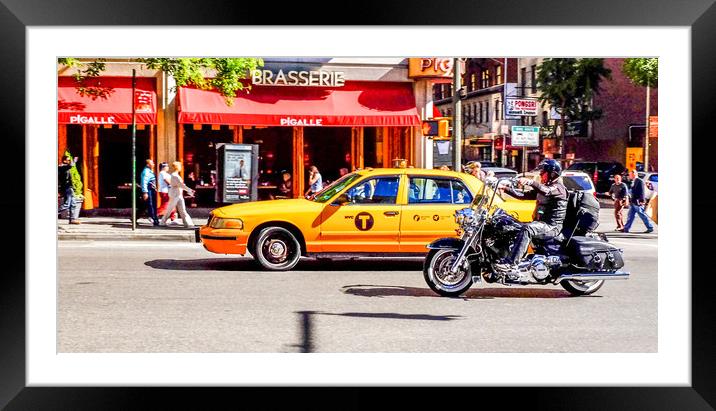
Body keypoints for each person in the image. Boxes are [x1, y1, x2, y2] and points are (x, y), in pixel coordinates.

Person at [494, 159, 568, 275]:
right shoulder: (544, 187)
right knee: (511, 225)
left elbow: (547, 191)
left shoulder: (558, 188)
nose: (540, 174)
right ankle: (502, 256)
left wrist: (530, 182)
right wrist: (505, 189)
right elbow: (523, 195)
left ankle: (511, 263)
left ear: (552, 174)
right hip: (541, 223)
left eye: (543, 172)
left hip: (551, 227)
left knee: (527, 229)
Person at [159, 161, 195, 228]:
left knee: (182, 209)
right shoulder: (175, 175)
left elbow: (180, 185)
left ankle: (188, 223)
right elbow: (180, 185)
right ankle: (162, 222)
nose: (181, 167)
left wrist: (188, 190)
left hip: (177, 194)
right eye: (180, 166)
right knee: (170, 209)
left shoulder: (175, 175)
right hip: (175, 194)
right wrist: (190, 190)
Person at [623, 169, 655, 234]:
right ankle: (626, 228)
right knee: (630, 215)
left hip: (637, 202)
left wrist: (642, 200)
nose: (629, 176)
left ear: (634, 174)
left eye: (630, 174)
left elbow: (642, 191)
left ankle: (650, 227)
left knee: (642, 215)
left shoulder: (639, 181)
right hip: (633, 201)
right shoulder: (633, 181)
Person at [57, 154, 80, 224]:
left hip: (69, 187)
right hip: (67, 188)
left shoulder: (65, 167)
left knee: (73, 203)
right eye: (68, 160)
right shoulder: (61, 166)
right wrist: (74, 160)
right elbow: (71, 165)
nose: (69, 161)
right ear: (64, 160)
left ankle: (72, 219)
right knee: (67, 204)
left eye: (70, 160)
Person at [140, 159, 160, 226]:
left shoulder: (149, 171)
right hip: (149, 189)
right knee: (150, 204)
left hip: (152, 189)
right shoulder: (146, 172)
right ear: (148, 164)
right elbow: (144, 182)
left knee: (149, 204)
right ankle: (154, 219)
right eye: (152, 163)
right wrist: (145, 192)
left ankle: (135, 216)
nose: (154, 164)